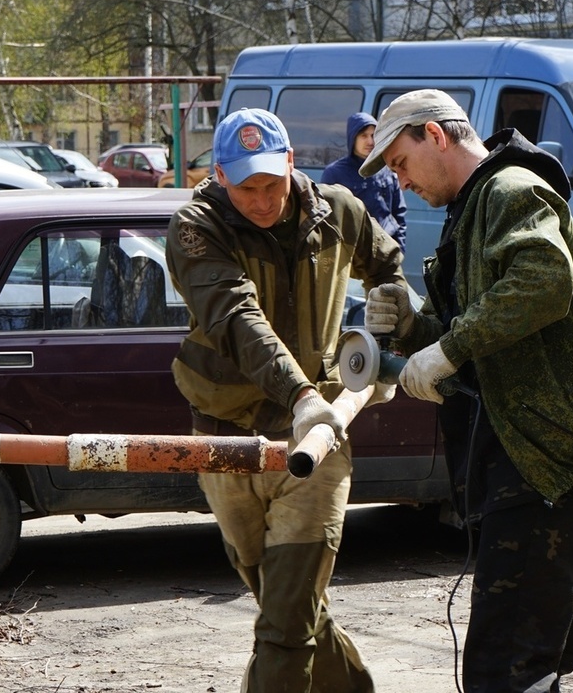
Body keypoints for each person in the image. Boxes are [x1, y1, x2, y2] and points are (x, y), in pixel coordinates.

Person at [358, 89, 573, 693]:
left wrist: (446, 351)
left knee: (504, 670)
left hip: (549, 469)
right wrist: (412, 327)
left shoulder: (510, 191)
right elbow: (478, 324)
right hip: (527, 465)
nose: (400, 183)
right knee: (522, 666)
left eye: (401, 163)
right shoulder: (473, 211)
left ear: (434, 135)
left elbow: (544, 280)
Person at [166, 107, 404, 693]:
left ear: (291, 163)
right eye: (247, 186)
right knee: (282, 600)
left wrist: (391, 321)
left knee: (285, 622)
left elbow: (388, 266)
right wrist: (297, 393)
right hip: (227, 438)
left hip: (316, 442)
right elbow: (234, 316)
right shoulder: (197, 227)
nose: (263, 198)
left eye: (272, 182)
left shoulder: (339, 210)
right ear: (220, 176)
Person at [322, 112, 407, 251]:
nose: (370, 141)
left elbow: (399, 213)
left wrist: (399, 248)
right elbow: (327, 218)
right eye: (363, 136)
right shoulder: (334, 173)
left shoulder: (387, 169)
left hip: (386, 249)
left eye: (373, 135)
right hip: (353, 253)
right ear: (352, 138)